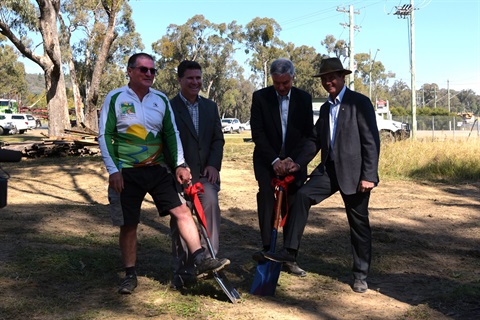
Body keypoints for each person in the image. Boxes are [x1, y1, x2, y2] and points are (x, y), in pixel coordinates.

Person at [98, 53, 229, 294]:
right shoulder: (115, 97)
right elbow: (105, 135)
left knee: (181, 211)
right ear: (129, 71)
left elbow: (171, 134)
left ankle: (200, 259)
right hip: (126, 171)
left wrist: (179, 165)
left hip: (158, 169)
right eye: (143, 70)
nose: (149, 74)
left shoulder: (159, 99)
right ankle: (129, 275)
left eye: (152, 71)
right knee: (128, 224)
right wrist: (113, 170)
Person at [263, 57, 380, 293]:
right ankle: (290, 251)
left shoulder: (360, 103)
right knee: (303, 195)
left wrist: (369, 175)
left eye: (332, 78)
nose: (328, 82)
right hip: (328, 171)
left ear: (342, 77)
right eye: (325, 79)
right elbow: (315, 140)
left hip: (356, 176)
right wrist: (295, 162)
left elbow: (371, 141)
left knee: (358, 224)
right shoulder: (326, 108)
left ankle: (360, 275)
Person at [250, 58, 313, 277]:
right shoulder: (260, 97)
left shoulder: (304, 99)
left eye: (285, 83)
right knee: (267, 201)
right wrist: (275, 161)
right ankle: (268, 250)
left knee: (294, 205)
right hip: (267, 162)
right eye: (277, 83)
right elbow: (257, 133)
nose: (281, 88)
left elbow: (308, 135)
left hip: (294, 164)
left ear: (292, 78)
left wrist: (294, 162)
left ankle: (289, 256)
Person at [167, 60, 225, 289]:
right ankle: (184, 269)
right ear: (180, 80)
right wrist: (178, 168)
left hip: (205, 176)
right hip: (178, 176)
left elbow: (217, 140)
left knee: (210, 202)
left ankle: (210, 261)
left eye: (198, 77)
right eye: (190, 78)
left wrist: (213, 165)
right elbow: (165, 142)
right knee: (181, 216)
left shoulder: (210, 107)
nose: (195, 82)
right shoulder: (168, 107)